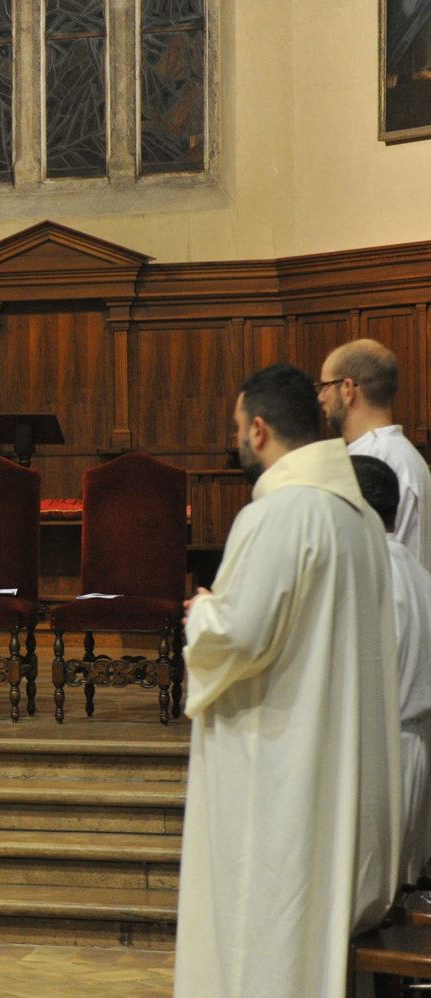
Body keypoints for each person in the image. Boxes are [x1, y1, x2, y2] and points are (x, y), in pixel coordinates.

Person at [176, 363, 400, 998]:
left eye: (237, 429)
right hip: (331, 760)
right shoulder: (359, 519)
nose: (238, 441)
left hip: (275, 772)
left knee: (263, 937)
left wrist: (204, 613)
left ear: (258, 429)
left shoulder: (280, 513)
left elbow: (240, 635)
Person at [354, 453, 431, 887]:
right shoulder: (417, 572)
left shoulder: (370, 574)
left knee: (369, 894)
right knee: (399, 884)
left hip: (379, 750)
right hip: (413, 743)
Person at [320, 338, 431, 573]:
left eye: (324, 386)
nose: (320, 397)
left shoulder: (371, 461)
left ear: (347, 389)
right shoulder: (406, 455)